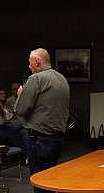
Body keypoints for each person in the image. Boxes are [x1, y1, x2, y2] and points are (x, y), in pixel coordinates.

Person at [15, 48, 69, 192]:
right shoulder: (62, 79)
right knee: (50, 180)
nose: (29, 66)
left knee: (39, 182)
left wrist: (21, 94)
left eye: (30, 62)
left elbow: (21, 109)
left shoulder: (36, 79)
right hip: (57, 138)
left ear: (37, 62)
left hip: (39, 138)